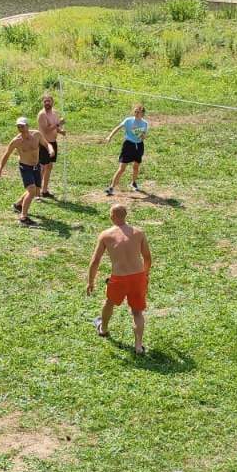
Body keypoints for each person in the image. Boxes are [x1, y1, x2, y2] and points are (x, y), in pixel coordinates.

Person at [87, 204, 152, 355]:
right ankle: (138, 346)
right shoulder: (139, 233)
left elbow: (95, 261)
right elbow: (147, 258)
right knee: (137, 312)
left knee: (109, 302)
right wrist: (145, 274)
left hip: (119, 278)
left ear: (112, 217)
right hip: (138, 276)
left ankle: (103, 329)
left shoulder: (106, 235)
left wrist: (90, 281)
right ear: (125, 215)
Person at [0, 118, 44, 225]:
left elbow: (45, 144)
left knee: (35, 189)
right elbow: (6, 155)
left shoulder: (36, 135)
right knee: (32, 190)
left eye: (22, 126)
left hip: (36, 166)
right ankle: (23, 218)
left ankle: (18, 205)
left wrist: (50, 150)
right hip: (25, 167)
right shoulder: (16, 141)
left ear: (27, 126)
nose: (20, 128)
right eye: (18, 126)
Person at [105, 103, 149, 195]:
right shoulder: (128, 120)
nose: (136, 113)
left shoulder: (145, 123)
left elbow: (143, 137)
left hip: (139, 146)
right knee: (122, 168)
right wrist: (110, 136)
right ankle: (111, 187)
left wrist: (137, 131)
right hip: (128, 145)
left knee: (136, 166)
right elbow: (118, 127)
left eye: (138, 112)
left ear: (142, 114)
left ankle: (133, 183)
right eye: (135, 111)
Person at [37, 92, 66, 199]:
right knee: (42, 168)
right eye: (45, 101)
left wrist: (60, 131)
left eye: (49, 101)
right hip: (44, 143)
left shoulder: (55, 113)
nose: (47, 103)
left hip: (53, 142)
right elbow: (46, 130)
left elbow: (54, 127)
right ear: (43, 103)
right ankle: (36, 192)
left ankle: (44, 191)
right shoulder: (42, 115)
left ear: (52, 102)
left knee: (49, 166)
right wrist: (58, 124)